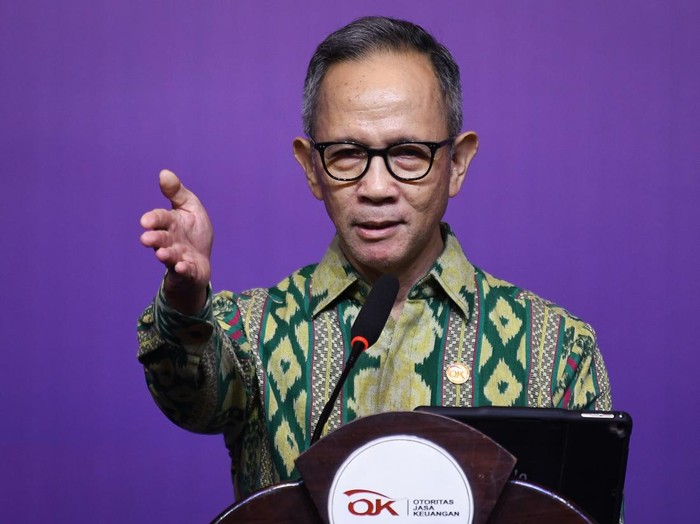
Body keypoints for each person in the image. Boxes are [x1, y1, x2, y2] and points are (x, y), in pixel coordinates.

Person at [137, 16, 612, 500]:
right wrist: (186, 303)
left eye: (408, 153)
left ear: (457, 163)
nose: (377, 187)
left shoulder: (556, 348)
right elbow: (190, 399)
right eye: (346, 153)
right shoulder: (249, 332)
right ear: (311, 167)